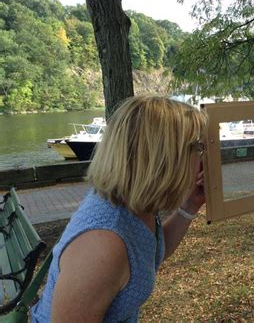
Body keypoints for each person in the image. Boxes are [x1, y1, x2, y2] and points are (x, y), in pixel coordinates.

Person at [30, 95, 208, 322]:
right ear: (163, 159)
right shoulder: (101, 246)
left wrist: (189, 205)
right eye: (199, 148)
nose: (203, 157)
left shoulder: (135, 205)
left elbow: (149, 251)